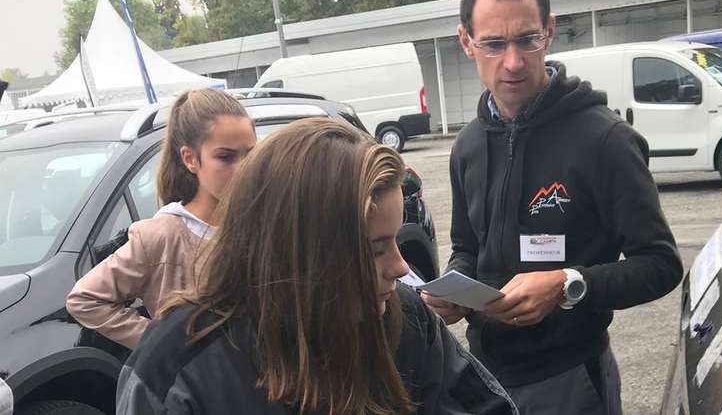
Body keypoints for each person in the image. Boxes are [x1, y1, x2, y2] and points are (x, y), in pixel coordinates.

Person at [421, 0, 684, 415]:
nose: (513, 62)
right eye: (493, 44)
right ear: (466, 42)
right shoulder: (467, 145)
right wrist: (453, 296)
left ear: (550, 29)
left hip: (569, 381)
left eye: (527, 39)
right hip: (483, 376)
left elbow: (661, 265)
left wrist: (569, 283)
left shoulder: (604, 140)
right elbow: (467, 247)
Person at [115, 118, 517, 415]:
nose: (399, 268)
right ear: (301, 251)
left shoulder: (406, 319)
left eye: (395, 240)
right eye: (373, 249)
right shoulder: (177, 367)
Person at [66, 89, 256, 349]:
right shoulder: (162, 235)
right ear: (190, 158)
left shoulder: (261, 222)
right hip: (198, 387)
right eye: (225, 157)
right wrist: (162, 344)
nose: (243, 167)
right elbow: (84, 299)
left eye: (250, 154)